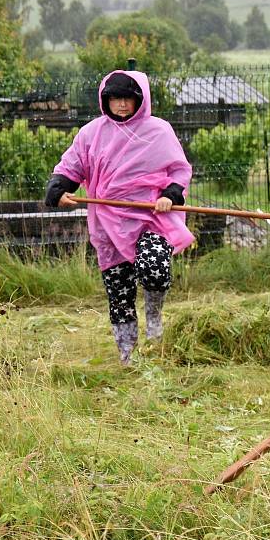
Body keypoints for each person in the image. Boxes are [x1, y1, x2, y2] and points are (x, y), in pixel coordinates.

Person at [45, 70, 194, 365]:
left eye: (128, 98)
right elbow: (71, 166)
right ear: (105, 100)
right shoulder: (91, 133)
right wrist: (58, 189)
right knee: (119, 291)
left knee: (154, 269)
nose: (122, 105)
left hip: (152, 218)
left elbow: (179, 170)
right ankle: (127, 354)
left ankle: (154, 318)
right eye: (115, 98)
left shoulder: (159, 131)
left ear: (140, 99)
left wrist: (170, 196)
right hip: (108, 225)